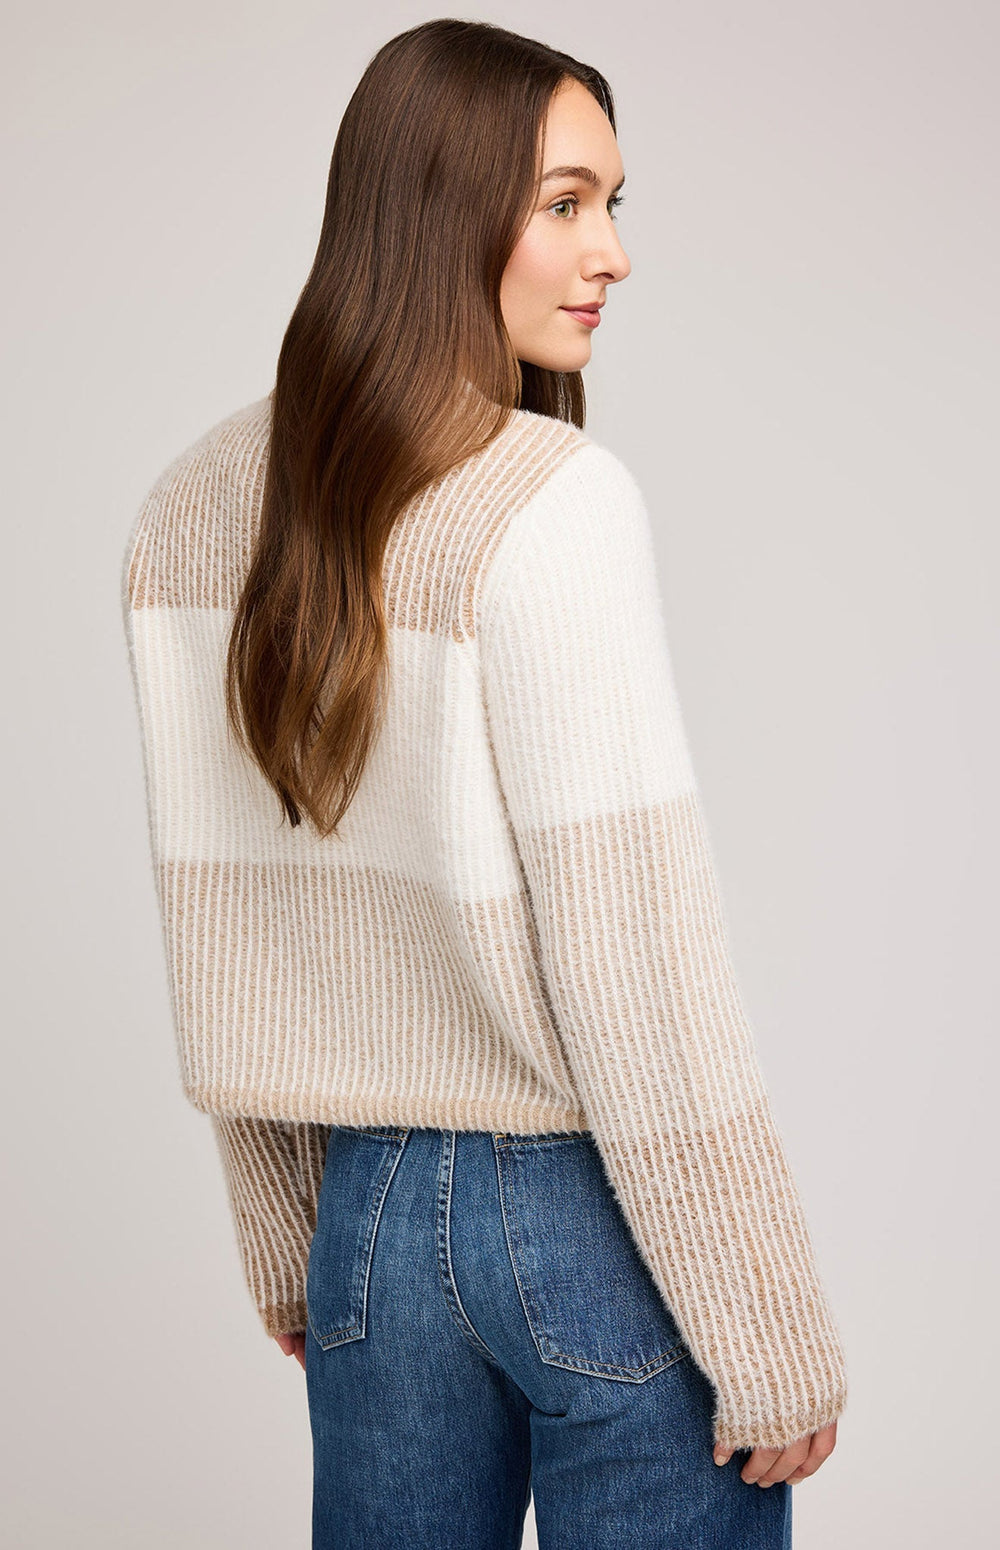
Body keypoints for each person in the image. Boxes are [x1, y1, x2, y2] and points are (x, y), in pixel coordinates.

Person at [121, 18, 846, 1548]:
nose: (613, 253)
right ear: (440, 211)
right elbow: (636, 960)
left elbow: (223, 918)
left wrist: (289, 1234)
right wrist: (765, 1320)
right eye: (564, 203)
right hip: (588, 1222)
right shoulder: (554, 503)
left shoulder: (191, 510)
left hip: (367, 1228)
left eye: (612, 203)